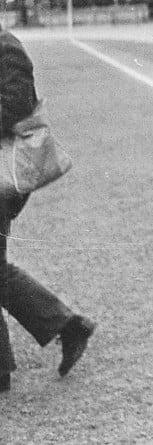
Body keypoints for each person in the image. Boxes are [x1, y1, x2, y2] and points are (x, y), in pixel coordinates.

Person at [1, 30, 96, 394]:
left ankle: (65, 326)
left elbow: (17, 105)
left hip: (5, 169)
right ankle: (67, 326)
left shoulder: (5, 47)